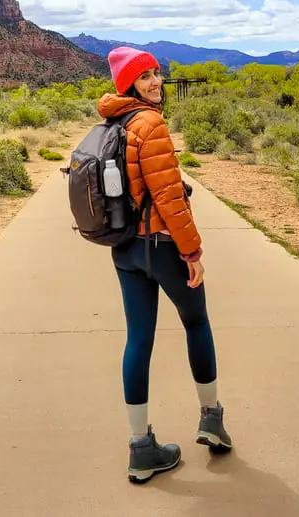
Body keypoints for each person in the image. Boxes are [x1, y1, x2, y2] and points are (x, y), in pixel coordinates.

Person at [99, 46, 232, 484]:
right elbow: (170, 200)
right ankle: (211, 418)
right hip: (161, 245)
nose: (156, 82)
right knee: (197, 323)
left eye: (157, 73)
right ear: (129, 85)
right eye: (145, 77)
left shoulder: (115, 120)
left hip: (126, 250)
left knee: (138, 340)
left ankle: (141, 447)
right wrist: (191, 252)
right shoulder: (150, 123)